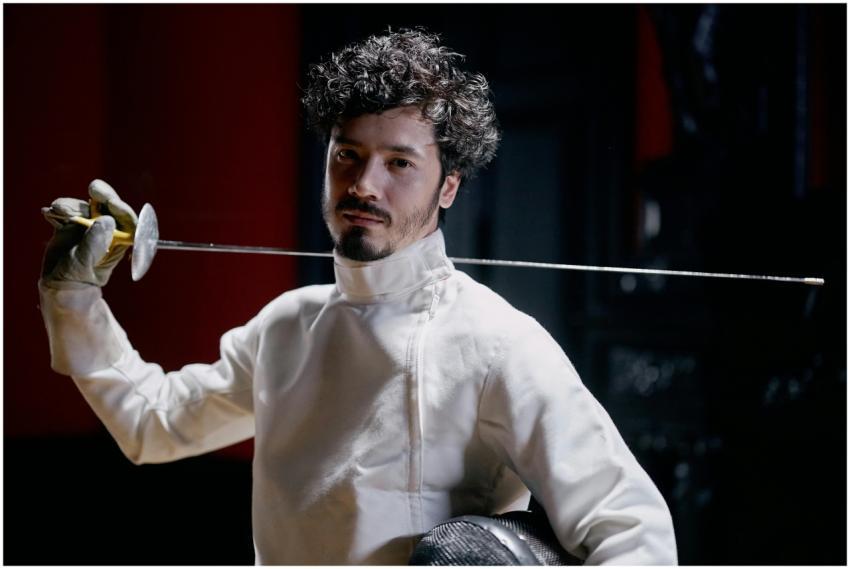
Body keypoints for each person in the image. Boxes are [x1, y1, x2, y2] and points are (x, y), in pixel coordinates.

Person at [39, 29, 678, 564]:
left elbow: (632, 531)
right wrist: (73, 292)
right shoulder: (285, 328)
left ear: (448, 187)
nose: (364, 184)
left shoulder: (496, 342)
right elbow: (152, 426)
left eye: (399, 163)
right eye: (348, 155)